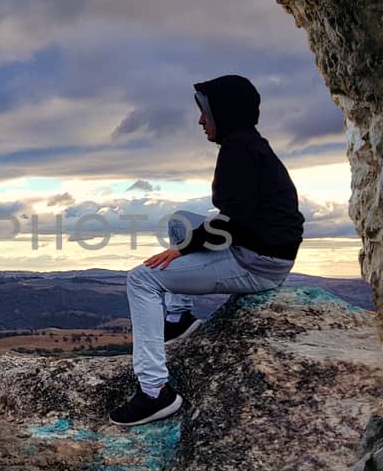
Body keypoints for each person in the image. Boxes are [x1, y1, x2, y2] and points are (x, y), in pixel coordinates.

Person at [110, 74, 305, 425]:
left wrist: (186, 249)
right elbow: (244, 216)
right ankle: (179, 318)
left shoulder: (239, 150)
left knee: (141, 279)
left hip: (257, 262)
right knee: (178, 220)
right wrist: (188, 241)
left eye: (205, 112)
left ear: (224, 113)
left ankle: (155, 393)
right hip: (263, 249)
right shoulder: (248, 145)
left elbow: (235, 221)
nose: (200, 121)